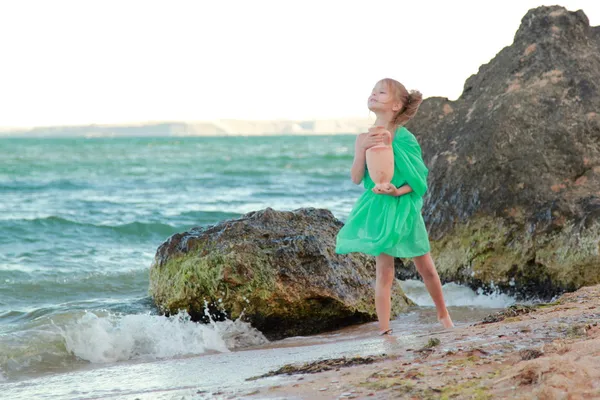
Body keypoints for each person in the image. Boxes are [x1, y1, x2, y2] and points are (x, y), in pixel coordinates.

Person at [335, 78, 454, 335]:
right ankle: (385, 331)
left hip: (404, 206)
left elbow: (418, 177)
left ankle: (444, 316)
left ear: (397, 105)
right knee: (384, 272)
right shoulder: (362, 137)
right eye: (372, 91)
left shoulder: (404, 137)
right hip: (377, 206)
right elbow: (357, 178)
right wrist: (361, 152)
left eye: (381, 92)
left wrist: (397, 190)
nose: (373, 95)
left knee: (426, 267)